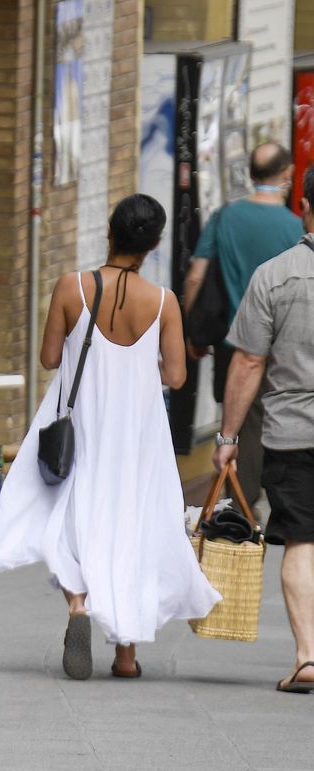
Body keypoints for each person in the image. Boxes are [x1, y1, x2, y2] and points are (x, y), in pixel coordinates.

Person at [0, 194, 220, 681]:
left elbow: (48, 358)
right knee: (132, 527)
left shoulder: (72, 287)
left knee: (69, 516)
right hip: (137, 433)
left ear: (110, 230)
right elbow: (175, 376)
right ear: (154, 244)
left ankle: (79, 605)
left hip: (81, 423)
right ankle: (125, 657)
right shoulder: (165, 303)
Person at [211, 167, 314, 694]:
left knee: (301, 540)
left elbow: (249, 362)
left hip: (292, 432)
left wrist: (228, 437)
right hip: (292, 430)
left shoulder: (274, 275)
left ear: (305, 205)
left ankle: (307, 656)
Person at [184, 143, 304, 508]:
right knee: (274, 418)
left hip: (231, 345)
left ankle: (242, 504)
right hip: (283, 346)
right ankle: (267, 498)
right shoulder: (294, 226)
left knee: (237, 421)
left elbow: (195, 277)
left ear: (251, 174)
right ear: (287, 173)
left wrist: (192, 330)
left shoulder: (224, 217)